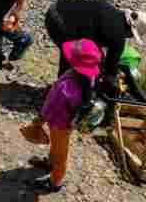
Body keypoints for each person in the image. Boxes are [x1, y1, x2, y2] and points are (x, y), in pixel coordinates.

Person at [20, 39, 101, 195]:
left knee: (60, 155)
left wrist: (39, 120)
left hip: (59, 123)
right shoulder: (88, 79)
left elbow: (51, 106)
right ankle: (50, 164)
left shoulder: (67, 86)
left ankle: (54, 182)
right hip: (67, 122)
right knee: (58, 148)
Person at [44, 0, 146, 86]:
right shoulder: (118, 38)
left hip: (54, 10)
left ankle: (60, 88)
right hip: (60, 24)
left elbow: (95, 41)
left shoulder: (111, 10)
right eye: (132, 35)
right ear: (131, 31)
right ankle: (61, 93)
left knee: (76, 52)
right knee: (74, 56)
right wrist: (113, 80)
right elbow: (111, 70)